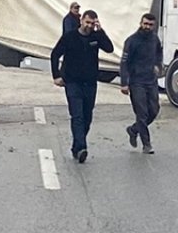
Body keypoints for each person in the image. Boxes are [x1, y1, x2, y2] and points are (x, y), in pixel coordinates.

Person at [50, 9, 114, 163]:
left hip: (90, 83)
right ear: (81, 21)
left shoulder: (96, 37)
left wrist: (101, 31)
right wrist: (56, 75)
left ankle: (76, 146)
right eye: (87, 22)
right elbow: (55, 54)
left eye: (92, 23)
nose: (89, 26)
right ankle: (81, 147)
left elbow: (109, 48)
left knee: (87, 117)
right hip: (72, 82)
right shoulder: (70, 37)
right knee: (77, 115)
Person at [120, 13, 163, 154]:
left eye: (150, 25)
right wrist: (124, 83)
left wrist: (158, 65)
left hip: (151, 81)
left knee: (154, 111)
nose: (147, 27)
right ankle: (147, 144)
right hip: (136, 82)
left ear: (154, 25)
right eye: (145, 24)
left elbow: (159, 53)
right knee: (142, 114)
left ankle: (133, 130)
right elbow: (124, 62)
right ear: (140, 23)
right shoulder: (132, 41)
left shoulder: (155, 39)